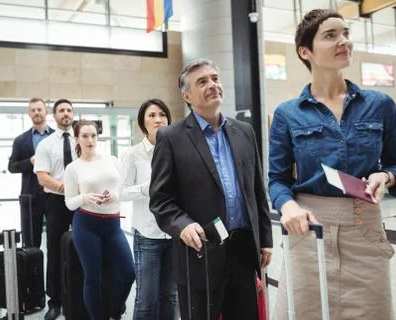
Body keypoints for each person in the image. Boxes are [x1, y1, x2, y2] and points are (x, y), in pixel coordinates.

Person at [268, 9, 396, 320]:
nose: (343, 41)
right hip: (309, 233)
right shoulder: (288, 114)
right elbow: (277, 179)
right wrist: (287, 206)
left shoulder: (379, 105)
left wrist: (385, 176)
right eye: (331, 36)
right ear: (306, 51)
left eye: (345, 33)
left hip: (365, 230)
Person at [149, 58, 273, 320]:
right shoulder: (171, 137)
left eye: (215, 78)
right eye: (202, 81)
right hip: (200, 254)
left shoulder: (244, 132)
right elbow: (160, 199)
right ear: (187, 95)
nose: (212, 85)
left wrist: (265, 239)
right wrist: (182, 225)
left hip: (242, 249)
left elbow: (256, 190)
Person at [64, 120, 135, 320]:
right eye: (85, 136)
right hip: (86, 225)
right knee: (92, 278)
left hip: (113, 225)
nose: (90, 140)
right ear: (76, 139)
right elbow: (69, 202)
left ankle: (114, 313)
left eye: (93, 135)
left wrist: (115, 195)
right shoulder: (73, 168)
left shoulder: (112, 160)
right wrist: (85, 197)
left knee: (129, 272)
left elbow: (124, 190)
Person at [120, 99, 178, 320]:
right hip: (147, 235)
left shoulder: (176, 151)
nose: (158, 119)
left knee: (170, 296)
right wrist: (149, 188)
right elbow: (122, 192)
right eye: (152, 115)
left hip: (174, 233)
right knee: (146, 300)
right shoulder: (132, 154)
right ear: (143, 122)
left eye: (162, 114)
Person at [34, 98, 77, 320]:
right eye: (61, 110)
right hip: (57, 202)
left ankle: (79, 298)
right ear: (54, 115)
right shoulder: (46, 144)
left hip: (81, 202)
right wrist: (63, 187)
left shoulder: (83, 139)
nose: (66, 114)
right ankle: (55, 302)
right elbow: (42, 177)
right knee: (55, 251)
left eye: (69, 110)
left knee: (84, 248)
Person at [8, 97, 54, 248]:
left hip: (54, 195)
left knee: (56, 240)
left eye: (39, 109)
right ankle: (33, 272)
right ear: (29, 113)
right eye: (33, 110)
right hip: (31, 197)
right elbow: (12, 167)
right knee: (31, 243)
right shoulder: (20, 140)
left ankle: (57, 272)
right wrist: (30, 161)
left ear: (45, 111)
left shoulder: (57, 137)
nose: (36, 113)